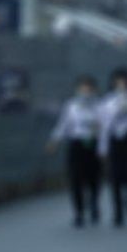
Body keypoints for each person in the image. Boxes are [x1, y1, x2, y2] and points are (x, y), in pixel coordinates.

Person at [48, 75, 103, 227]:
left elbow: (104, 125)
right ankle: (79, 212)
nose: (86, 91)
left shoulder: (99, 106)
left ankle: (94, 204)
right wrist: (54, 140)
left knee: (93, 178)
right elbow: (63, 125)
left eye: (89, 88)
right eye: (83, 88)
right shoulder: (71, 106)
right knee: (76, 178)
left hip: (93, 144)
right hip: (76, 144)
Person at [99, 67, 127, 227]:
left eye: (125, 82)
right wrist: (103, 149)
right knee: (115, 177)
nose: (122, 85)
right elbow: (105, 126)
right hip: (115, 141)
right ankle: (118, 212)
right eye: (119, 82)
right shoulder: (107, 101)